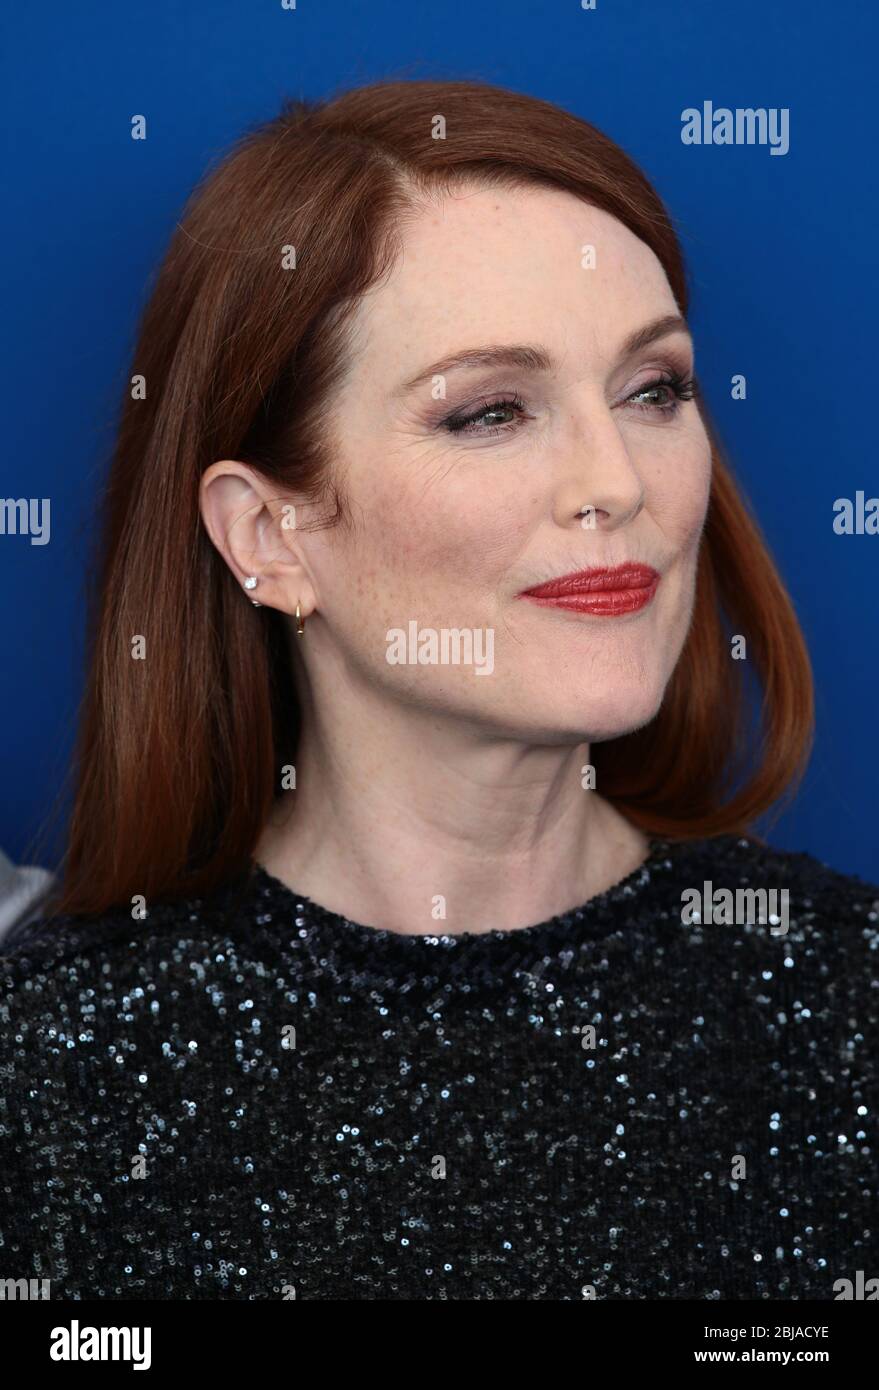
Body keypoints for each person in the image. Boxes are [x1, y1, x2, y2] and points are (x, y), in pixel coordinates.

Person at [1, 79, 876, 1301]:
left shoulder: (844, 1002)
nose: (616, 481)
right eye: (491, 411)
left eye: (655, 389)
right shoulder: (50, 1068)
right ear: (271, 536)